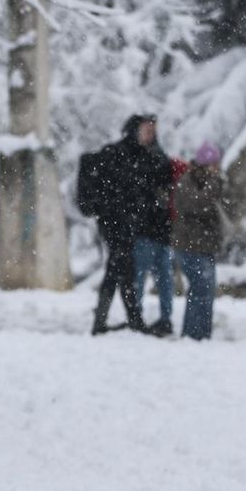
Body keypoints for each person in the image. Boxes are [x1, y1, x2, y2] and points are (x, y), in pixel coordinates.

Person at [78, 114, 170, 335]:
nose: (151, 134)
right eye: (146, 129)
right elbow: (109, 187)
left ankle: (114, 320)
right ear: (134, 130)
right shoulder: (116, 154)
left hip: (132, 224)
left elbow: (159, 178)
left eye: (153, 130)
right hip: (116, 223)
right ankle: (122, 320)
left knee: (121, 271)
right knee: (120, 268)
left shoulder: (149, 155)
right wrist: (108, 207)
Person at [171, 143, 229, 340]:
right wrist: (214, 185)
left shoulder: (210, 183)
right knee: (200, 288)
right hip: (191, 246)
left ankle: (201, 333)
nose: (216, 170)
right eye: (213, 165)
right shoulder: (188, 182)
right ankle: (194, 334)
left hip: (205, 246)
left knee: (205, 289)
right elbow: (197, 205)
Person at [131, 121, 177, 337]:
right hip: (148, 231)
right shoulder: (146, 159)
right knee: (144, 278)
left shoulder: (157, 159)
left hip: (157, 231)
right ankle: (139, 316)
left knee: (161, 279)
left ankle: (163, 319)